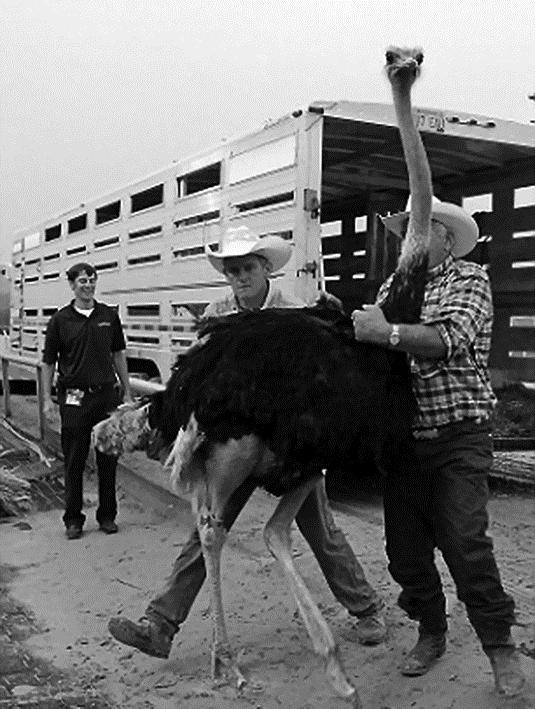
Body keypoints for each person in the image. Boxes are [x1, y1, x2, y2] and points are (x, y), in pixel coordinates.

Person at [108, 225, 386, 657]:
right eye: (234, 269)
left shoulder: (295, 313)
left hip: (287, 446)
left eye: (248, 267)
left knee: (320, 529)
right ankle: (160, 624)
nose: (241, 276)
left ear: (265, 268)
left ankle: (366, 609)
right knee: (208, 531)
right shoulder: (217, 314)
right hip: (236, 442)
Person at [351, 48, 525, 697]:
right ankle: (430, 628)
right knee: (404, 552)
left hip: (456, 434)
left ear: (443, 239)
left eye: (418, 229)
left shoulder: (468, 281)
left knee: (464, 540)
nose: (410, 237)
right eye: (405, 231)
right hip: (404, 443)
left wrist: (385, 333)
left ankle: (499, 644)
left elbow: (446, 341)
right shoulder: (395, 287)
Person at [42, 262, 132, 540]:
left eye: (92, 280)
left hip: (105, 395)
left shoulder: (108, 316)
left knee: (108, 458)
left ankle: (107, 516)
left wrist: (126, 391)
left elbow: (118, 354)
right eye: (82, 281)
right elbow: (48, 362)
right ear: (72, 285)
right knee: (74, 460)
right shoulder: (60, 320)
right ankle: (73, 519)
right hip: (74, 398)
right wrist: (46, 398)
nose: (88, 285)